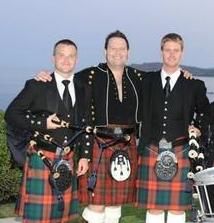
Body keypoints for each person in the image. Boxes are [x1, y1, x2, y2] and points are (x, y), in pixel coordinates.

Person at [4, 39, 90, 223]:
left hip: (67, 159)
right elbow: (11, 114)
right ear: (53, 58)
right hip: (42, 158)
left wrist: (84, 155)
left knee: (61, 217)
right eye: (61, 55)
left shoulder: (83, 88)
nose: (66, 60)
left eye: (71, 56)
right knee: (38, 219)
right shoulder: (38, 85)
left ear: (76, 59)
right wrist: (43, 123)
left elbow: (84, 123)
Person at [136, 33, 210, 223]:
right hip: (151, 148)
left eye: (176, 50)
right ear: (161, 52)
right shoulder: (146, 80)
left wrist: (199, 128)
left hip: (181, 149)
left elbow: (205, 111)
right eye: (167, 50)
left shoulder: (194, 84)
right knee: (154, 208)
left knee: (178, 209)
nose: (171, 54)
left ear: (182, 53)